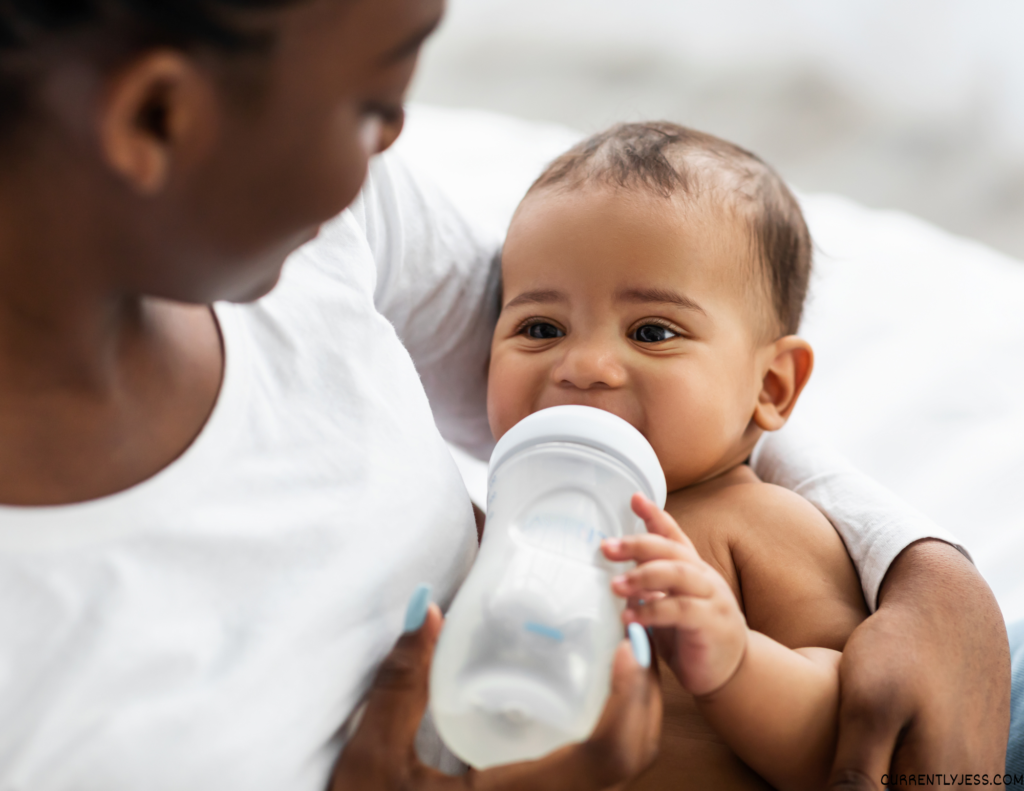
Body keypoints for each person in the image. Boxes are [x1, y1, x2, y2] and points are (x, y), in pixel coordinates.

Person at [0, 1, 1010, 789]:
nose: (398, 141)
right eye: (367, 106)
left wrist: (925, 571)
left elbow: (660, 370)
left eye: (402, 90)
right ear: (159, 117)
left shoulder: (323, 235)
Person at [485, 121, 867, 790]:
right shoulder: (506, 525)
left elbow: (853, 739)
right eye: (541, 328)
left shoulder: (762, 524)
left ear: (771, 385)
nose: (586, 365)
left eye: (652, 331)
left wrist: (735, 659)